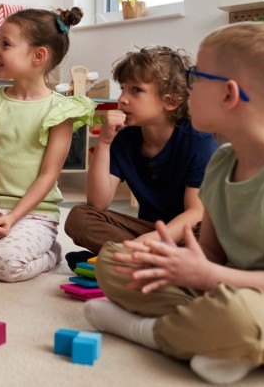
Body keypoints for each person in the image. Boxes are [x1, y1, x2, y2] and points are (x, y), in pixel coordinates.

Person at [85, 22, 264, 384]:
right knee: (116, 262)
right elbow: (212, 252)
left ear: (229, 95)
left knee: (239, 318)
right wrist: (179, 264)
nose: (187, 90)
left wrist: (209, 276)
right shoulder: (223, 161)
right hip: (229, 288)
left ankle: (147, 332)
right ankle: (216, 341)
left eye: (196, 78)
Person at [0, 8, 96, 282]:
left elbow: (48, 175)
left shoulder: (60, 111)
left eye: (5, 44)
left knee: (5, 266)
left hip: (35, 215)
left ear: (38, 56)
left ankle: (50, 254)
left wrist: (13, 219)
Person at [63, 47, 218, 269]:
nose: (122, 99)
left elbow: (195, 213)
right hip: (147, 230)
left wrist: (147, 241)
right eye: (123, 88)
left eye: (136, 90)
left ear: (171, 100)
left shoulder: (198, 141)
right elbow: (98, 203)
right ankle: (146, 261)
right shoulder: (124, 140)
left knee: (212, 238)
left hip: (188, 233)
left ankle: (125, 258)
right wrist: (104, 143)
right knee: (79, 217)